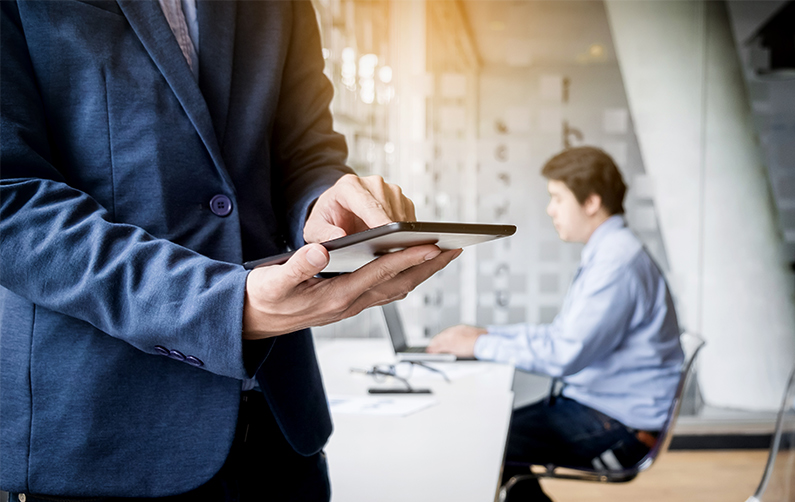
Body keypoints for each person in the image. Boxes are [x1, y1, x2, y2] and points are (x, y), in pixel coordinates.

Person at [0, 1, 459, 500]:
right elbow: (12, 196)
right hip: (106, 434)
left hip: (281, 427)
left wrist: (325, 205)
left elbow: (306, 151)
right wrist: (221, 306)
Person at [428, 146, 684, 501]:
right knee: (492, 431)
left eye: (557, 198)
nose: (551, 209)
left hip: (621, 426)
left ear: (591, 202)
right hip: (602, 406)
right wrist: (487, 335)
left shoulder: (616, 263)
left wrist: (479, 346)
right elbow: (562, 336)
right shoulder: (611, 252)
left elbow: (563, 354)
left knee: (487, 439)